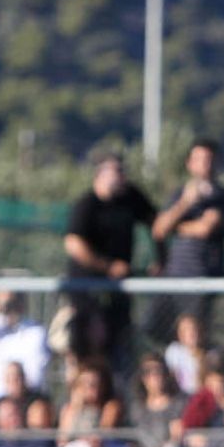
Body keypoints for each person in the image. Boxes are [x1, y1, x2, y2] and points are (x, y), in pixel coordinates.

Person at [63, 155, 158, 367]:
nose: (123, 176)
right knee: (89, 343)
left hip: (118, 290)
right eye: (117, 171)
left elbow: (156, 224)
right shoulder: (86, 205)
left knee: (119, 341)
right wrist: (107, 267)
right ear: (100, 175)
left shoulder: (131, 198)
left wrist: (159, 259)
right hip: (88, 289)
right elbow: (74, 244)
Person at [153, 139, 224, 333]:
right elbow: (159, 229)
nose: (204, 164)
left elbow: (205, 229)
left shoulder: (223, 196)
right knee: (155, 328)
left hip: (203, 275)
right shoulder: (180, 195)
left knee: (194, 333)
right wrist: (185, 203)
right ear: (189, 163)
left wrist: (176, 226)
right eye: (198, 159)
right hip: (174, 274)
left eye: (209, 159)